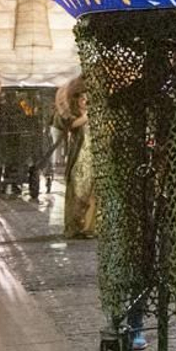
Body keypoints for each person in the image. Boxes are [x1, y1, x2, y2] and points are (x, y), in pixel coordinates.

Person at [55, 75, 96, 239]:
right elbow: (71, 126)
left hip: (94, 157)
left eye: (87, 97)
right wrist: (86, 116)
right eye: (82, 97)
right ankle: (74, 226)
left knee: (93, 192)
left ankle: (89, 227)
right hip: (80, 157)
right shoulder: (72, 114)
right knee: (79, 190)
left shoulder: (96, 113)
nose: (85, 100)